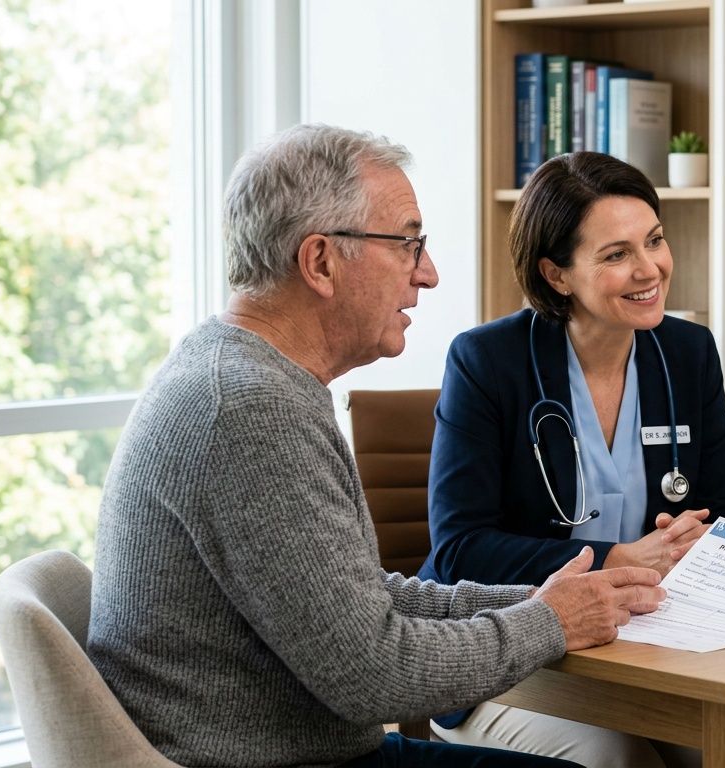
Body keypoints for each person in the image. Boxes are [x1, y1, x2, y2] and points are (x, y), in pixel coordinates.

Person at [86, 125, 666, 768]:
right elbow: (372, 673)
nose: (429, 274)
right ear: (321, 262)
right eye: (409, 244)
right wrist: (551, 623)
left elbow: (364, 600)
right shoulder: (250, 411)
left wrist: (540, 600)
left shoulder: (244, 378)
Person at [416, 152, 725, 766]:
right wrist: (614, 560)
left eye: (654, 240)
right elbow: (459, 548)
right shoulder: (487, 362)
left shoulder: (686, 353)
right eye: (615, 254)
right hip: (510, 656)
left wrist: (695, 541)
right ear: (557, 275)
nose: (649, 268)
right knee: (619, 760)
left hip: (644, 650)